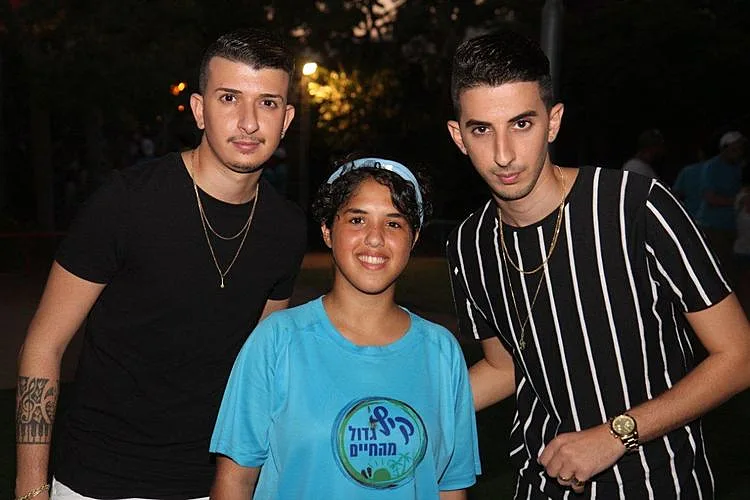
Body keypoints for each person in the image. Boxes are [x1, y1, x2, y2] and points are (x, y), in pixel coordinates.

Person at [444, 30, 750, 499]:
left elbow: (739, 356)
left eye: (521, 124)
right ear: (458, 136)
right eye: (482, 129)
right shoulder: (468, 243)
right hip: (540, 483)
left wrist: (615, 434)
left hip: (658, 485)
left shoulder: (637, 205)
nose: (503, 154)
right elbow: (504, 367)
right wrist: (414, 405)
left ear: (553, 122)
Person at [15, 28, 307, 500]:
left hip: (209, 483)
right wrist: (30, 489)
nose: (249, 122)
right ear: (199, 110)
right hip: (95, 482)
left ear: (286, 118)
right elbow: (44, 345)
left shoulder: (286, 229)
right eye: (229, 98)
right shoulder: (126, 203)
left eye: (268, 103)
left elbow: (258, 370)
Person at [209, 157, 481, 499]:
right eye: (357, 220)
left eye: (394, 223)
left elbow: (451, 487)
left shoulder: (441, 351)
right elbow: (235, 481)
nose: (375, 238)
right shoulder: (277, 341)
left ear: (413, 239)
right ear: (327, 230)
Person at [696, 130, 747, 275]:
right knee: (717, 269)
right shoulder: (712, 167)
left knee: (732, 269)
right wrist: (738, 201)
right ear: (725, 148)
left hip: (733, 227)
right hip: (713, 227)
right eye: (735, 148)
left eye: (740, 148)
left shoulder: (739, 167)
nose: (739, 152)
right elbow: (710, 197)